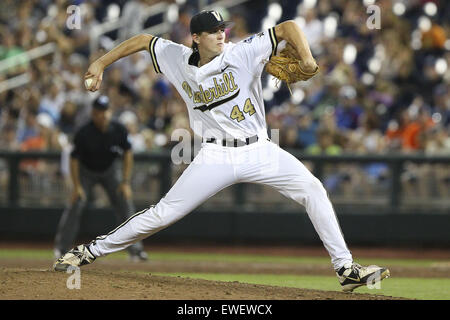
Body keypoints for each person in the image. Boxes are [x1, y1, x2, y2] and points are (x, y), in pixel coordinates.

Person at [54, 10, 389, 292]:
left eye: (222, 29)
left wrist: (307, 58)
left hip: (259, 148)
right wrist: (100, 62)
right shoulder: (176, 58)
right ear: (196, 37)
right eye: (213, 31)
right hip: (216, 155)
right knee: (162, 214)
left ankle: (345, 269)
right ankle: (87, 252)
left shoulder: (242, 51)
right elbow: (143, 40)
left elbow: (288, 28)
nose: (221, 35)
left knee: (312, 188)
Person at [53, 95, 148, 262]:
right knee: (76, 204)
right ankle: (61, 249)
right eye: (99, 112)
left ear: (110, 112)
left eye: (105, 111)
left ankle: (136, 251)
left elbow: (128, 153)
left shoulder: (118, 129)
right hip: (86, 172)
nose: (102, 115)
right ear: (93, 113)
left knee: (125, 204)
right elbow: (74, 159)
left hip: (109, 171)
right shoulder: (84, 132)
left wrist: (125, 182)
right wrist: (77, 187)